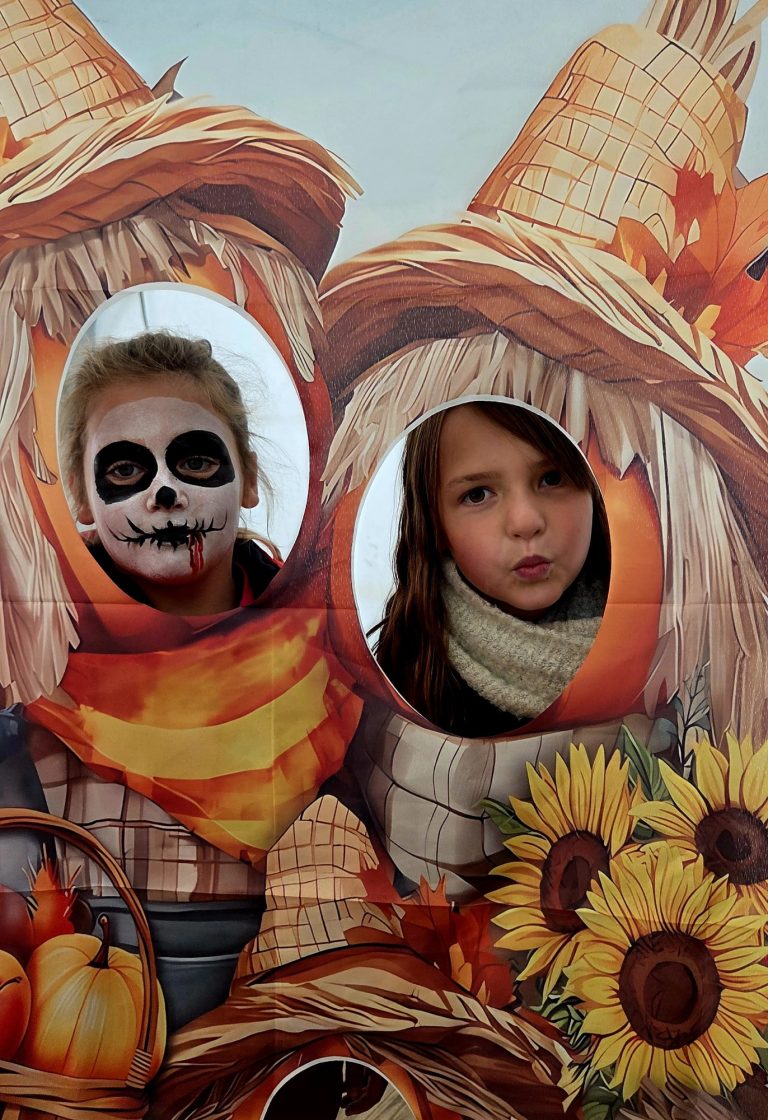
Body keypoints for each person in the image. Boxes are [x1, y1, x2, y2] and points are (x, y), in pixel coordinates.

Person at [374, 400, 610, 738]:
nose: (525, 522)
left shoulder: (662, 633)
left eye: (552, 478)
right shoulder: (407, 665)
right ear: (435, 525)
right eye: (477, 495)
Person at [58, 330, 280, 615]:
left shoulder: (317, 614)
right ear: (81, 496)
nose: (166, 493)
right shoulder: (37, 626)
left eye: (196, 463)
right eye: (125, 469)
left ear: (249, 480)